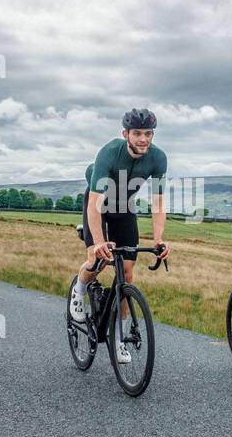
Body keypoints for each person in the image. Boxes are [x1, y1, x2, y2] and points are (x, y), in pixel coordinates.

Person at [69, 109, 171, 363]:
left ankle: (119, 337)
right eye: (137, 133)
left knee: (126, 272)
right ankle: (79, 291)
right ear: (126, 134)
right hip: (99, 204)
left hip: (124, 206)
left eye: (148, 134)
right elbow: (95, 203)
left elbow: (158, 203)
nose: (143, 139)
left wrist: (159, 239)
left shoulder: (158, 158)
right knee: (96, 257)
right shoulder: (109, 153)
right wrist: (99, 241)